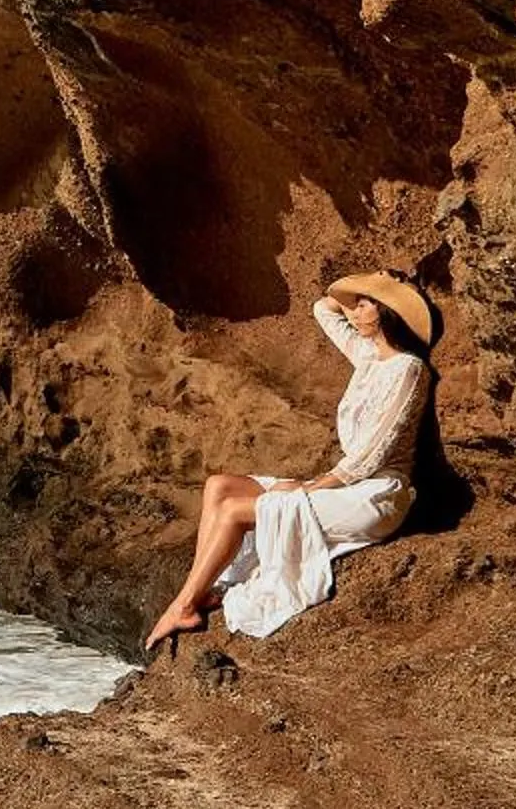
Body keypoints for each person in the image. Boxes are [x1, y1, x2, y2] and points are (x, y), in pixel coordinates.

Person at [142, 272, 437, 652]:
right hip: (347, 485)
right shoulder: (367, 357)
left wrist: (307, 487)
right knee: (219, 485)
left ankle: (182, 605)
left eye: (364, 303)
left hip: (375, 495)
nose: (354, 309)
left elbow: (370, 457)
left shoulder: (409, 370)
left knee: (234, 511)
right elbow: (323, 308)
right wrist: (375, 279)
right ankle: (202, 591)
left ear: (387, 314)